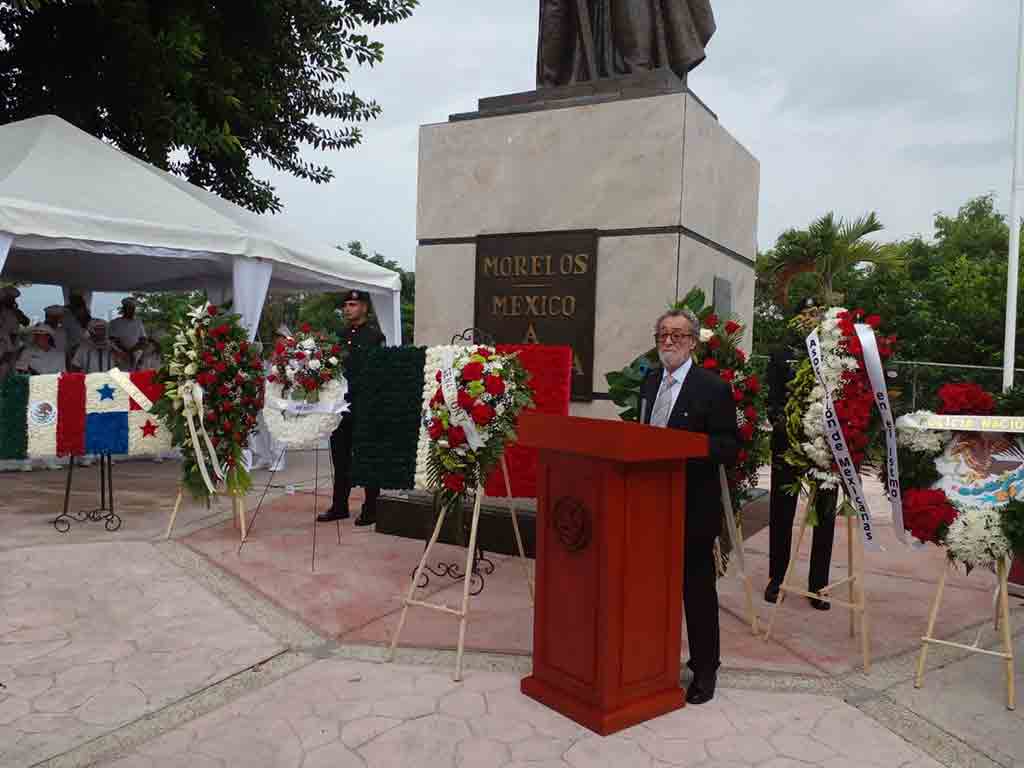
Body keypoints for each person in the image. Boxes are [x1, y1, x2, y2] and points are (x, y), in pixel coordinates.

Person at [639, 307, 737, 704]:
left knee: (696, 592)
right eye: (662, 334)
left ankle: (705, 669)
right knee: (651, 587)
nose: (668, 341)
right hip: (649, 504)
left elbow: (728, 446)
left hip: (693, 507)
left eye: (677, 335)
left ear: (694, 342)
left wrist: (682, 448)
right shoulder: (648, 383)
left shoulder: (712, 388)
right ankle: (650, 658)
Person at [764, 302, 836, 611]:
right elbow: (772, 399)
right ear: (797, 318)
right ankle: (776, 579)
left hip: (825, 444)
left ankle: (818, 585)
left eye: (818, 313)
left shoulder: (835, 354)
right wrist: (788, 424)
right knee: (781, 512)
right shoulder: (783, 353)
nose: (812, 318)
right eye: (807, 313)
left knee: (826, 515)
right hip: (788, 444)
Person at [318, 290, 385, 526]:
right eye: (346, 305)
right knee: (340, 458)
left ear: (364, 308)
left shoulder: (375, 336)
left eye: (353, 304)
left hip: (364, 405)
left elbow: (377, 372)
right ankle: (339, 506)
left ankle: (371, 507)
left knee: (366, 457)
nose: (347, 309)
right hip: (341, 406)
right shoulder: (338, 336)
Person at [108, 297, 147, 369]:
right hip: (119, 355)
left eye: (133, 308)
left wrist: (131, 352)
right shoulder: (115, 322)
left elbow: (143, 339)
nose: (132, 311)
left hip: (135, 356)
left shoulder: (138, 322)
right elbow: (112, 339)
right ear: (124, 309)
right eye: (129, 308)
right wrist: (126, 352)